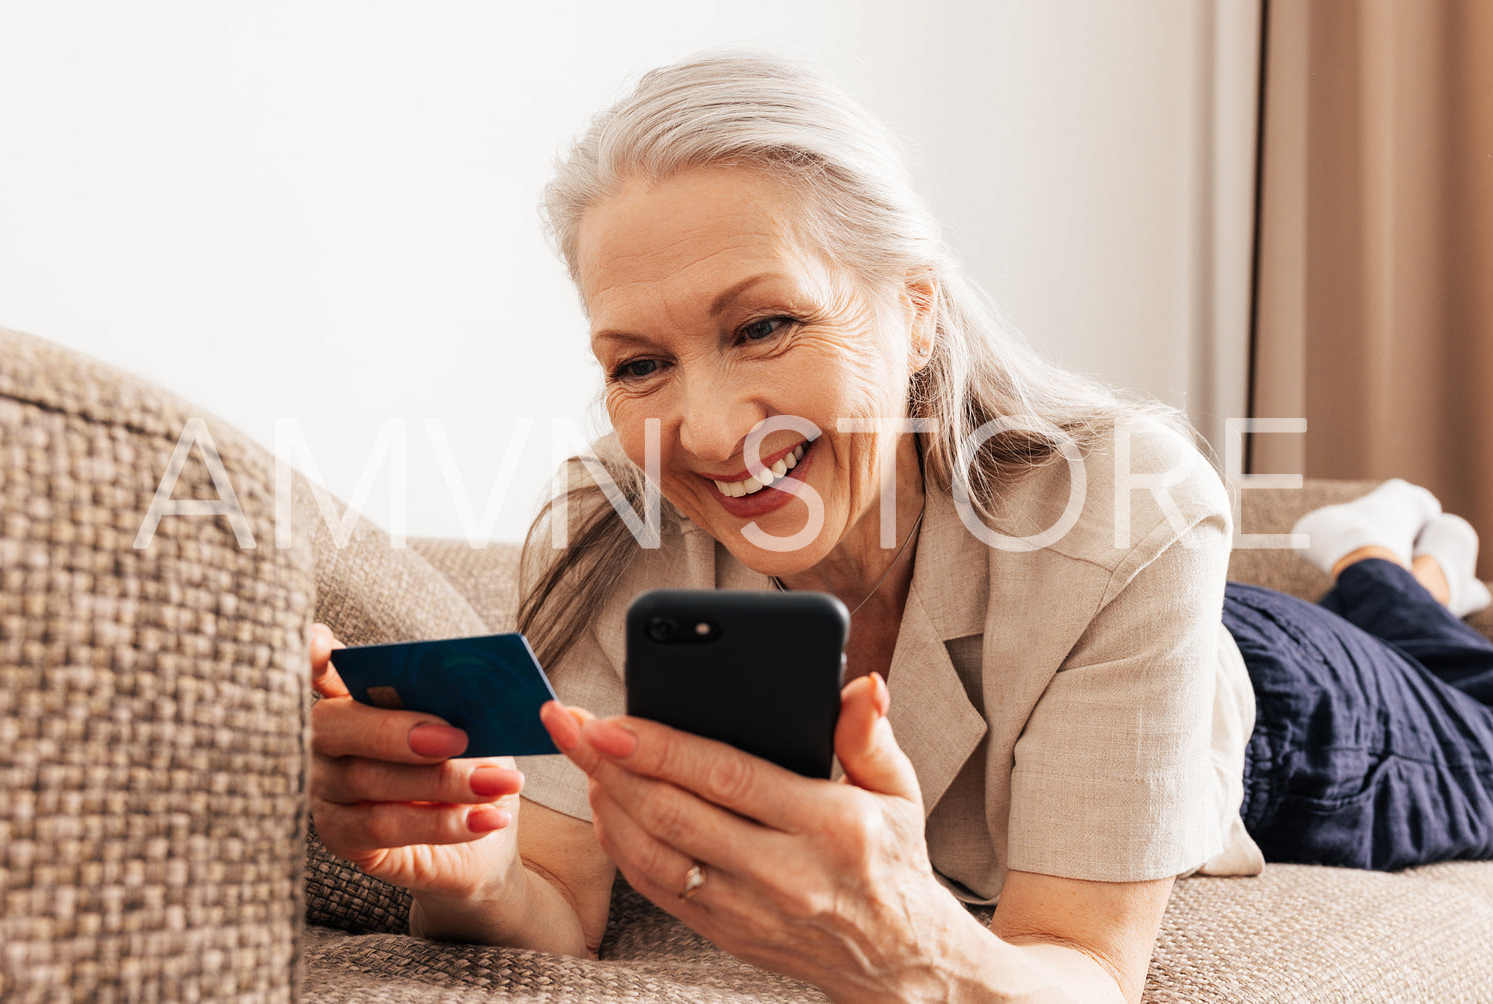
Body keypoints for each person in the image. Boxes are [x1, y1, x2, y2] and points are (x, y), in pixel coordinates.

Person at [307, 52, 1493, 1003]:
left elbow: (1080, 965)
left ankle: (1379, 560)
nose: (708, 429)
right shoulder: (616, 515)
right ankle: (1391, 564)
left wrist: (913, 952)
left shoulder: (1129, 504)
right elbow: (553, 899)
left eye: (763, 324)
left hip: (1290, 714)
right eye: (640, 361)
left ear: (913, 308)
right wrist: (466, 874)